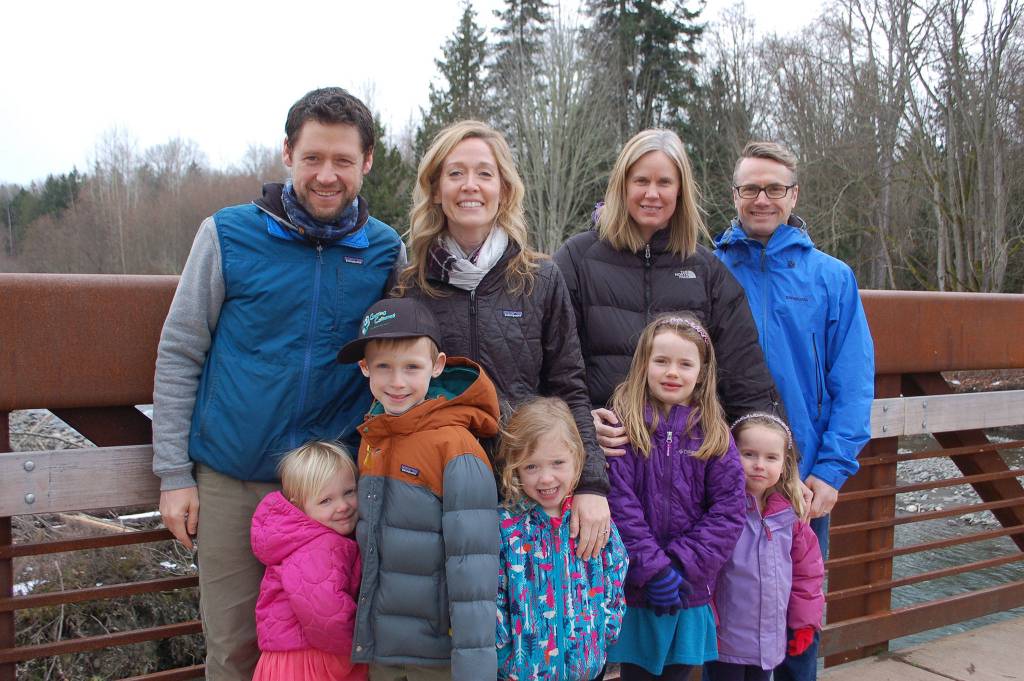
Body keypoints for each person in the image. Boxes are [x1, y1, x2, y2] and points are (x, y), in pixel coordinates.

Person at [152, 87, 403, 679]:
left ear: (367, 162)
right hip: (233, 477)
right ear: (288, 154)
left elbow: (402, 362)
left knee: (338, 650)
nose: (326, 175)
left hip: (336, 488)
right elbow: (181, 350)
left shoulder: (384, 251)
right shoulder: (228, 234)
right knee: (234, 649)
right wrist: (173, 474)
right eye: (312, 157)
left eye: (343, 160)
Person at [394, 120, 611, 560]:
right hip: (435, 490)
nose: (470, 185)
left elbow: (569, 386)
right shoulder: (408, 286)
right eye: (455, 173)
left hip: (524, 491)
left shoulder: (540, 279)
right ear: (435, 189)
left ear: (504, 189)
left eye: (484, 173)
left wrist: (591, 482)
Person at [713, 141, 874, 680]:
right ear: (734, 195)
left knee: (798, 614)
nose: (762, 199)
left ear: (794, 195)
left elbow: (853, 383)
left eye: (774, 188)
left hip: (797, 481)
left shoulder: (831, 277)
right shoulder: (708, 271)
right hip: (720, 478)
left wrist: (831, 470)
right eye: (750, 188)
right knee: (719, 619)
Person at [553, 128, 781, 461]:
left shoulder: (706, 271)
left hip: (686, 463)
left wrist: (773, 458)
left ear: (680, 191)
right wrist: (580, 422)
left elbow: (745, 376)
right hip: (605, 458)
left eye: (664, 182)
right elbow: (554, 364)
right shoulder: (577, 259)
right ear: (622, 185)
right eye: (641, 181)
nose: (652, 194)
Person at [337, 297, 500, 681]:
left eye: (412, 367)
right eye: (383, 367)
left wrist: (475, 669)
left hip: (437, 655)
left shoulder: (455, 447)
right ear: (365, 368)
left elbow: (473, 570)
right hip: (383, 649)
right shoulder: (373, 436)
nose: (397, 382)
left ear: (437, 365)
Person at [605, 314, 746, 681]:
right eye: (661, 361)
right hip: (637, 589)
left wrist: (680, 566)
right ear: (644, 364)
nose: (672, 372)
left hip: (688, 590)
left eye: (685, 364)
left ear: (701, 372)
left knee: (680, 674)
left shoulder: (715, 435)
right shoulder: (623, 427)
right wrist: (653, 569)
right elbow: (619, 505)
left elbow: (729, 511)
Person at [495, 397, 629, 681]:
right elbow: (493, 593)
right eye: (531, 467)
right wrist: (506, 654)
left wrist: (604, 632)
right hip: (523, 673)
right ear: (515, 467)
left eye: (557, 463)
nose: (546, 478)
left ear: (577, 459)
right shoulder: (505, 526)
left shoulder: (590, 519)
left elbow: (616, 570)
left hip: (586, 668)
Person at [706, 414, 824, 681]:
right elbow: (705, 570)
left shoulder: (791, 519)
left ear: (784, 464)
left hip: (769, 642)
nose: (759, 465)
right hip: (724, 641)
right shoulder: (719, 511)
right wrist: (706, 618)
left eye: (771, 458)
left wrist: (804, 623)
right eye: (749, 454)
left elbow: (807, 577)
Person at [250, 441, 368, 681]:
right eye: (326, 501)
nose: (343, 506)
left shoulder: (299, 539)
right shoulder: (320, 546)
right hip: (311, 661)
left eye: (349, 492)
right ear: (299, 506)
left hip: (288, 659)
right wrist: (363, 646)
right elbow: (327, 614)